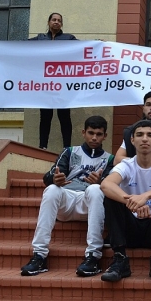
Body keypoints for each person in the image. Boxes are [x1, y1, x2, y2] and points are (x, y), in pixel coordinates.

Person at [20, 116, 114, 277]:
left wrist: (101, 181)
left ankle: (93, 256)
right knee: (51, 189)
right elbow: (49, 176)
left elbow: (112, 185)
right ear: (83, 133)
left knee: (96, 189)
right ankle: (39, 255)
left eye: (99, 134)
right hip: (67, 202)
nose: (94, 138)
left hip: (90, 205)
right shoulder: (70, 152)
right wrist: (54, 179)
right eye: (91, 133)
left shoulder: (110, 159)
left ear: (105, 136)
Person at [99, 120, 151, 283]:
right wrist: (132, 202)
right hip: (129, 229)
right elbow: (105, 184)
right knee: (111, 198)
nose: (145, 139)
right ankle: (120, 258)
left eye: (150, 135)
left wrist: (145, 197)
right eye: (140, 135)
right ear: (132, 140)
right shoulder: (127, 164)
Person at [29, 12, 77, 150]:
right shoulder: (39, 39)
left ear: (61, 24)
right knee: (45, 116)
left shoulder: (69, 39)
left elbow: (85, 47)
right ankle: (42, 146)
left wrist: (99, 44)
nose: (56, 22)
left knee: (64, 116)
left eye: (59, 20)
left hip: (62, 85)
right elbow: (20, 47)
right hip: (45, 85)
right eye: (54, 20)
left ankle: (67, 147)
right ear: (49, 22)